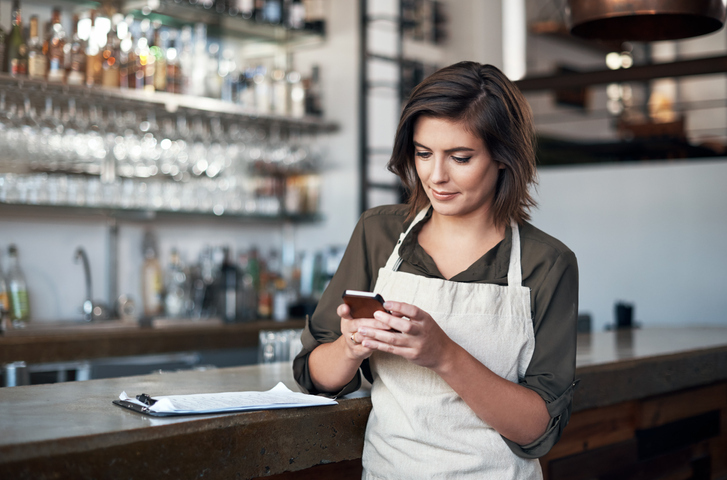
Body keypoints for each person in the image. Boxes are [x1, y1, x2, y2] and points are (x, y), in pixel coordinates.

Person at [293, 61, 578, 479]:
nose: (436, 175)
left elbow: (537, 430)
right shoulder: (379, 232)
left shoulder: (546, 263)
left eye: (460, 157)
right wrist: (351, 348)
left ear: (503, 158)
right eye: (423, 153)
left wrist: (444, 356)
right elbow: (315, 375)